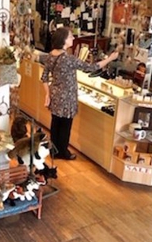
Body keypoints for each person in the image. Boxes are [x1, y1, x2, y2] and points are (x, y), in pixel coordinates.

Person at [39, 27, 119, 160]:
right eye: (71, 37)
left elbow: (44, 77)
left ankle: (54, 150)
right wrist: (110, 59)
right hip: (67, 97)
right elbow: (91, 67)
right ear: (64, 40)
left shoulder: (50, 55)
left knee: (56, 123)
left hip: (55, 94)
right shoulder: (68, 59)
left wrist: (47, 94)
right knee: (65, 125)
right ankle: (63, 152)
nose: (73, 38)